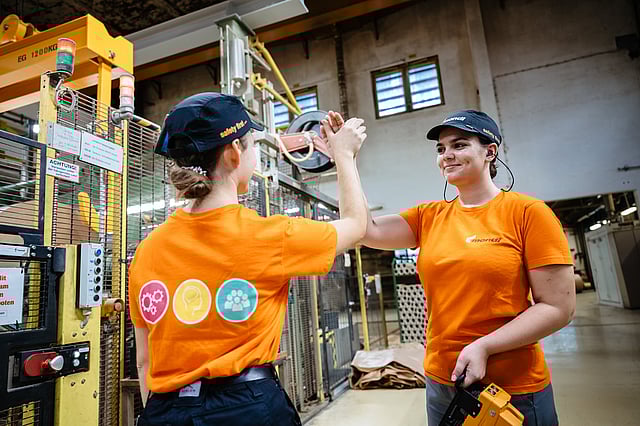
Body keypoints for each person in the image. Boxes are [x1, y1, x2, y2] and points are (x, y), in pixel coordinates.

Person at [129, 92, 367, 425]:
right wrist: (344, 155)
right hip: (248, 407)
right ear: (233, 153)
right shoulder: (271, 235)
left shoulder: (147, 250)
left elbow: (144, 360)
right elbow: (357, 226)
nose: (256, 151)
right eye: (253, 143)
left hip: (165, 410)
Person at [355, 110, 576, 425]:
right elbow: (366, 229)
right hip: (442, 381)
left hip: (511, 388)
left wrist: (484, 346)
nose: (447, 155)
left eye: (458, 145)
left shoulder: (528, 213)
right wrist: (346, 158)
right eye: (441, 149)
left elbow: (558, 307)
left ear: (489, 151)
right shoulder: (428, 217)